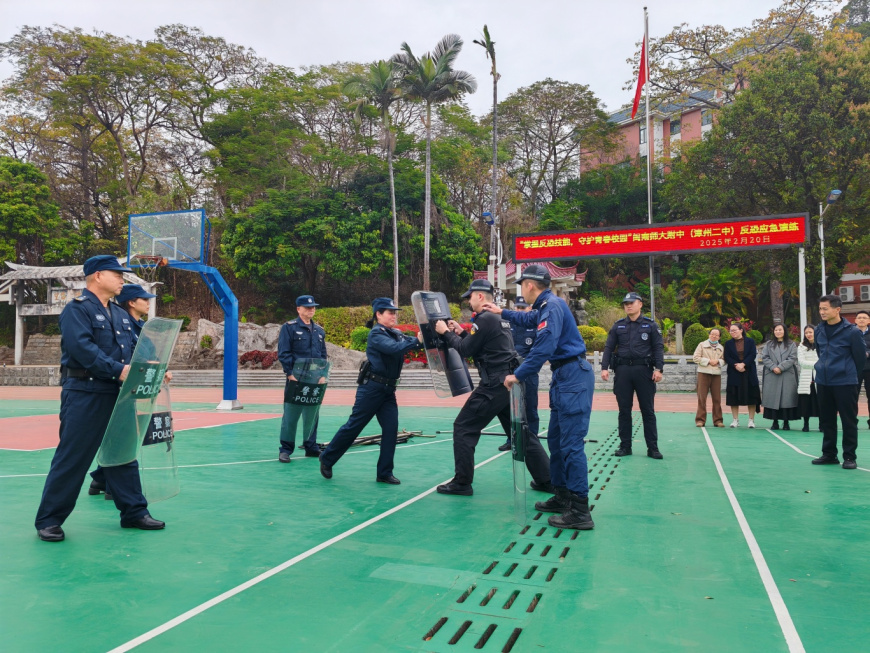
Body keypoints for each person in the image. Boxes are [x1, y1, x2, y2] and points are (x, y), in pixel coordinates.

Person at [34, 256, 165, 542]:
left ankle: (134, 512)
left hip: (119, 394)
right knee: (73, 457)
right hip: (85, 393)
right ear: (97, 275)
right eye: (116, 274)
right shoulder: (77, 310)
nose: (121, 279)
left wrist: (153, 368)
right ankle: (49, 520)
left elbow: (135, 348)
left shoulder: (119, 313)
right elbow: (82, 349)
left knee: (123, 455)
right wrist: (119, 370)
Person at [483, 264, 596, 531]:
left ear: (530, 285)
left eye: (521, 286)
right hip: (564, 377)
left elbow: (544, 345)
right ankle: (562, 495)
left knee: (571, 445)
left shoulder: (552, 306)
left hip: (573, 377)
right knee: (555, 441)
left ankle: (580, 510)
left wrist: (518, 374)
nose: (521, 291)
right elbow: (528, 319)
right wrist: (502, 312)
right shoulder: (546, 306)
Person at [433, 280, 551, 496]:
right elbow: (480, 345)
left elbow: (465, 350)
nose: (469, 301)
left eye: (470, 297)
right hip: (508, 383)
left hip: (494, 385)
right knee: (521, 433)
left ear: (480, 296)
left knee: (463, 427)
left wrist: (445, 333)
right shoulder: (497, 318)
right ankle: (546, 479)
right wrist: (460, 332)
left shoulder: (485, 319)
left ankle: (462, 482)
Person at [319, 298, 422, 484]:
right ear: (378, 315)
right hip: (372, 389)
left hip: (388, 390)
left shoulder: (395, 333)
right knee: (354, 426)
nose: (394, 316)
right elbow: (394, 349)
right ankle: (327, 458)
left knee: (391, 429)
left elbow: (413, 343)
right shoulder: (376, 334)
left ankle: (384, 472)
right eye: (390, 312)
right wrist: (417, 340)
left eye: (394, 312)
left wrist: (428, 336)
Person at [88, 283, 164, 500]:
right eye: (144, 299)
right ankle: (114, 487)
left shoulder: (142, 327)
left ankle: (101, 479)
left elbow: (150, 356)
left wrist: (160, 370)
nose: (148, 303)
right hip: (118, 387)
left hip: (134, 387)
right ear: (131, 302)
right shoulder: (121, 326)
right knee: (123, 438)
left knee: (122, 436)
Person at [600, 292, 664, 458]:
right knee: (624, 411)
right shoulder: (618, 326)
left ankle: (653, 448)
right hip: (623, 371)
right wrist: (604, 367)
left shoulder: (650, 325)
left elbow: (658, 348)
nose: (628, 306)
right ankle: (625, 446)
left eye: (631, 303)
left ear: (640, 304)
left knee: (647, 411)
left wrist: (659, 369)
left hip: (643, 371)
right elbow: (609, 347)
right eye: (626, 303)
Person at [812, 295, 866, 469]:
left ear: (837, 309)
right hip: (823, 381)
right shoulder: (819, 330)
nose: (822, 312)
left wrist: (847, 373)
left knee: (848, 420)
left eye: (825, 308)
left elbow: (860, 359)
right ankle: (829, 454)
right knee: (827, 420)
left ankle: (849, 457)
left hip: (845, 382)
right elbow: (820, 353)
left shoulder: (852, 332)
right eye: (820, 309)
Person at [277, 295, 328, 462]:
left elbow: (323, 355)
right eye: (307, 307)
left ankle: (310, 447)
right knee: (291, 415)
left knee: (312, 414)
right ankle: (286, 449)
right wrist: (290, 374)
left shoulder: (319, 330)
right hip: (296, 378)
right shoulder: (289, 328)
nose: (311, 309)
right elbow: (284, 352)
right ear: (298, 309)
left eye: (313, 307)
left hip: (314, 379)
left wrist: (322, 374)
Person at [499, 295, 538, 452]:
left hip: (528, 373)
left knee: (530, 409)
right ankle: (512, 439)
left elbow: (537, 351)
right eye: (518, 307)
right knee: (511, 408)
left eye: (523, 308)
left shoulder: (535, 326)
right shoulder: (507, 325)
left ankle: (532, 442)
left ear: (529, 309)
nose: (520, 310)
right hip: (511, 372)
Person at [761, 324, 799, 430]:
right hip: (772, 373)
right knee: (773, 398)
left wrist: (781, 367)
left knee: (786, 398)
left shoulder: (791, 344)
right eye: (776, 330)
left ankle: (786, 422)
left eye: (780, 330)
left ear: (784, 331)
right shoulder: (769, 344)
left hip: (786, 373)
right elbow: (765, 357)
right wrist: (773, 367)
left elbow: (792, 358)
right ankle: (775, 422)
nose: (778, 332)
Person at [723, 323, 761, 428]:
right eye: (731, 331)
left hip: (749, 371)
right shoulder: (728, 343)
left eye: (734, 330)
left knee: (751, 396)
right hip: (734, 372)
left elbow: (752, 354)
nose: (732, 332)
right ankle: (735, 420)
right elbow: (727, 357)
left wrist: (743, 364)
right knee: (733, 397)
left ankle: (751, 420)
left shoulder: (750, 341)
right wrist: (736, 365)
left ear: (741, 330)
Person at [692, 327, 725, 428]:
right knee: (702, 397)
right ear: (709, 334)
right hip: (703, 373)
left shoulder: (721, 347)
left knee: (717, 398)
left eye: (716, 335)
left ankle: (718, 420)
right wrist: (708, 361)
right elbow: (695, 358)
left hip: (716, 374)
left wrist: (718, 361)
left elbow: (724, 360)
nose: (714, 336)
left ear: (719, 337)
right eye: (712, 334)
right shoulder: (702, 345)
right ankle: (700, 420)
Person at [797, 325, 820, 432]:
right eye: (806, 333)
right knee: (806, 402)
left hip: (819, 377)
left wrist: (817, 365)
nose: (808, 334)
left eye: (810, 332)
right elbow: (802, 362)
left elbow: (823, 359)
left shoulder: (821, 344)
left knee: (820, 401)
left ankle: (822, 424)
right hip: (806, 378)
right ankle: (806, 424)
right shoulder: (801, 346)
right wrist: (816, 364)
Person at [855, 310, 870, 429]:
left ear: (869, 320)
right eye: (859, 317)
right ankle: (852, 420)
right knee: (852, 396)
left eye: (864, 318)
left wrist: (868, 353)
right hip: (854, 369)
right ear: (855, 320)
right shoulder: (850, 332)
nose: (861, 319)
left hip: (869, 368)